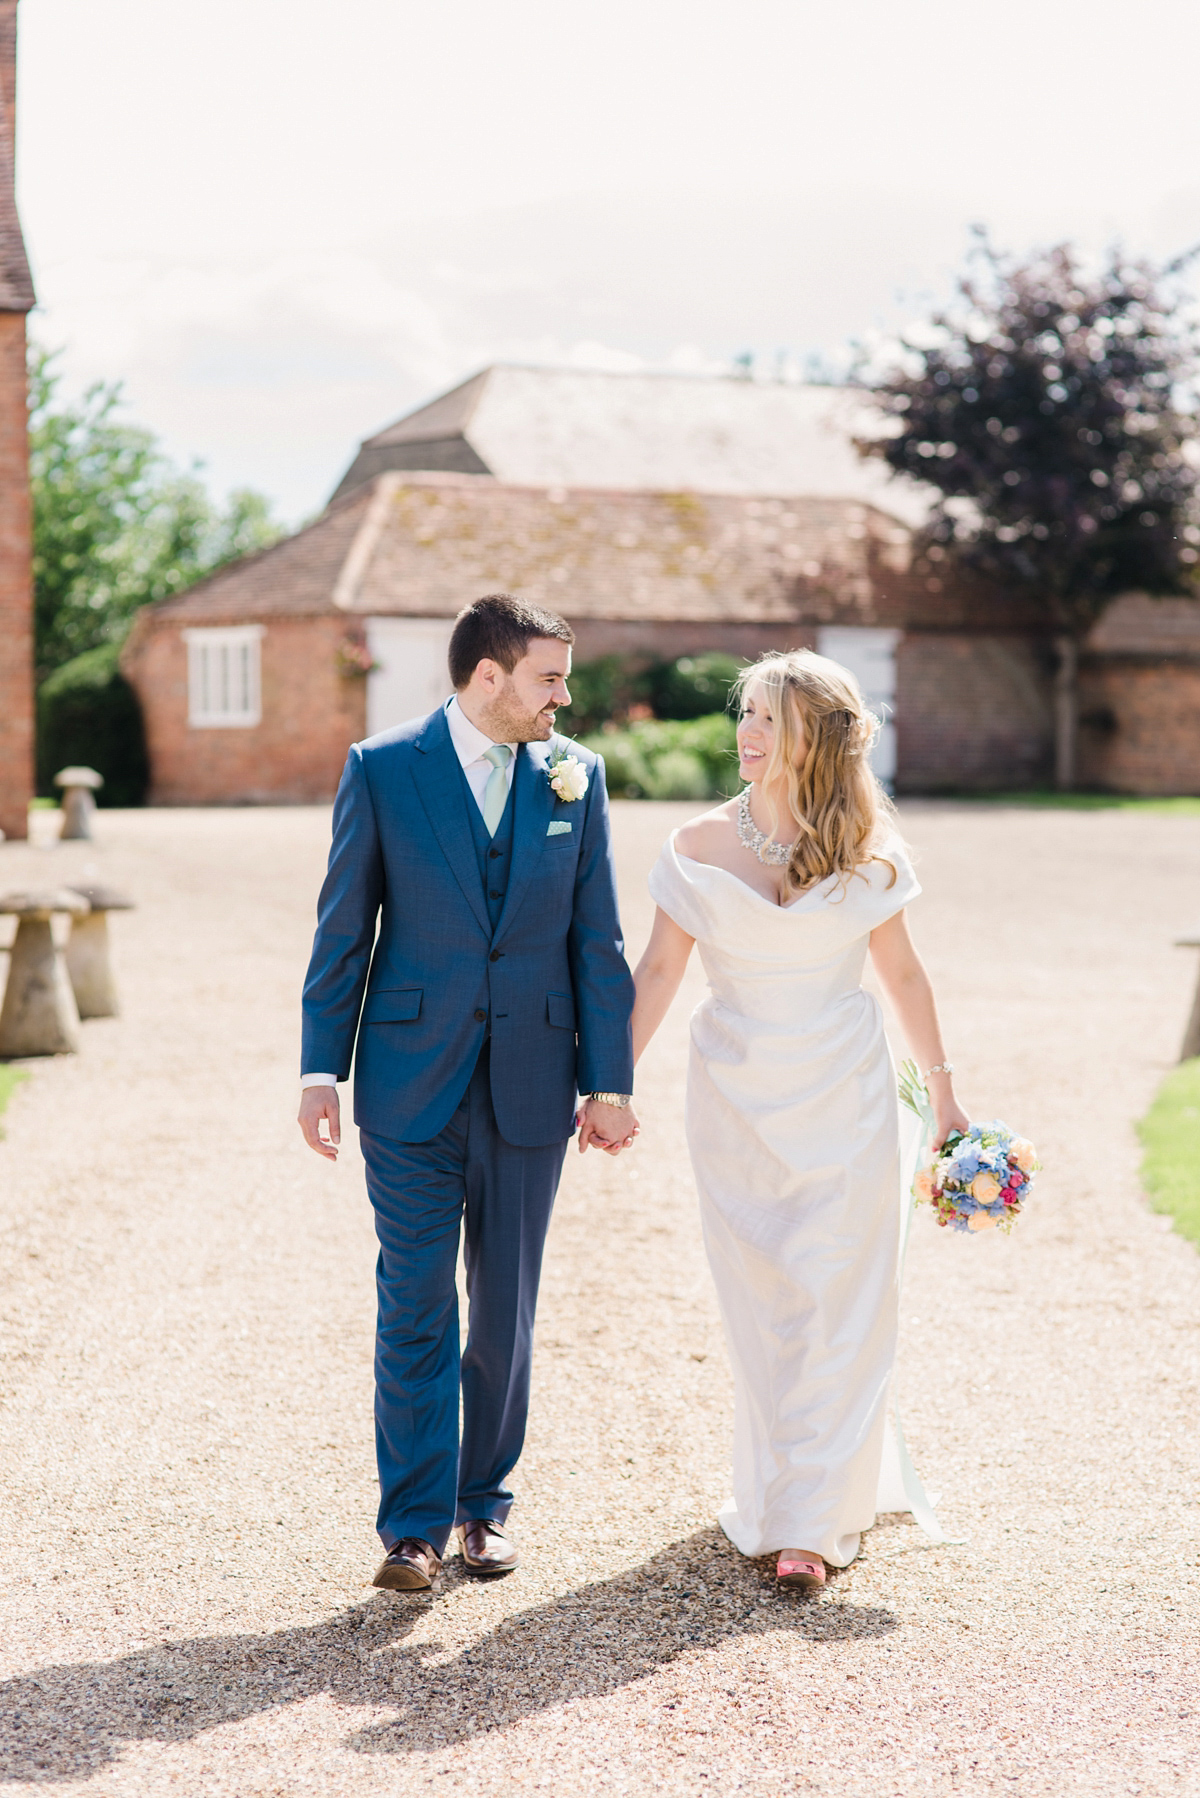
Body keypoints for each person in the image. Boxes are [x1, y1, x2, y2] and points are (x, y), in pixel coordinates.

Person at [298, 594, 637, 1592]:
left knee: (503, 1309)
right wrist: (323, 1068)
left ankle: (481, 1505)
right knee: (413, 1302)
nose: (564, 697)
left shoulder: (579, 777)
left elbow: (599, 942)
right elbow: (342, 929)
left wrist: (608, 1080)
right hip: (409, 1082)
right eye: (549, 677)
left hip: (532, 1081)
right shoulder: (382, 768)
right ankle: (410, 1527)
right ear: (488, 676)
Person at [631, 648, 967, 1589]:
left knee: (844, 1299)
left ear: (814, 737)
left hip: (849, 1098)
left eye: (769, 719)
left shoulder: (869, 849)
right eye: (746, 713)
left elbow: (903, 975)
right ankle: (786, 1488)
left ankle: (810, 1526)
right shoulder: (697, 847)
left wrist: (944, 1097)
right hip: (737, 1102)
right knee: (768, 1303)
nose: (746, 732)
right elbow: (658, 972)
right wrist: (607, 1087)